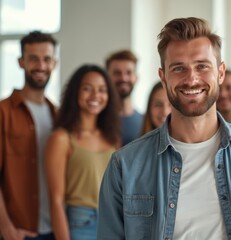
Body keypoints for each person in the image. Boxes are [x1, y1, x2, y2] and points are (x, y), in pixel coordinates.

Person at [97, 17, 231, 239]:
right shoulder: (125, 165)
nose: (191, 79)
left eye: (202, 66)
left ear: (220, 73)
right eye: (179, 68)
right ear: (163, 78)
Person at [45, 64, 120, 240]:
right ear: (75, 93)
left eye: (102, 90)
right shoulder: (61, 138)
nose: (95, 96)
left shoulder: (112, 138)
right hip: (81, 223)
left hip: (113, 221)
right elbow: (56, 201)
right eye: (87, 89)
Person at [0, 31, 58, 240]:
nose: (41, 66)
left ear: (55, 63)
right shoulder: (3, 112)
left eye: (47, 59)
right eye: (33, 59)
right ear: (21, 62)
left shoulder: (58, 115)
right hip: (19, 231)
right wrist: (6, 228)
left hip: (56, 229)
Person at [105, 49, 144, 146]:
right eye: (117, 73)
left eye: (129, 72)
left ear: (136, 78)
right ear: (107, 78)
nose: (123, 78)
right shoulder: (98, 120)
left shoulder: (145, 122)